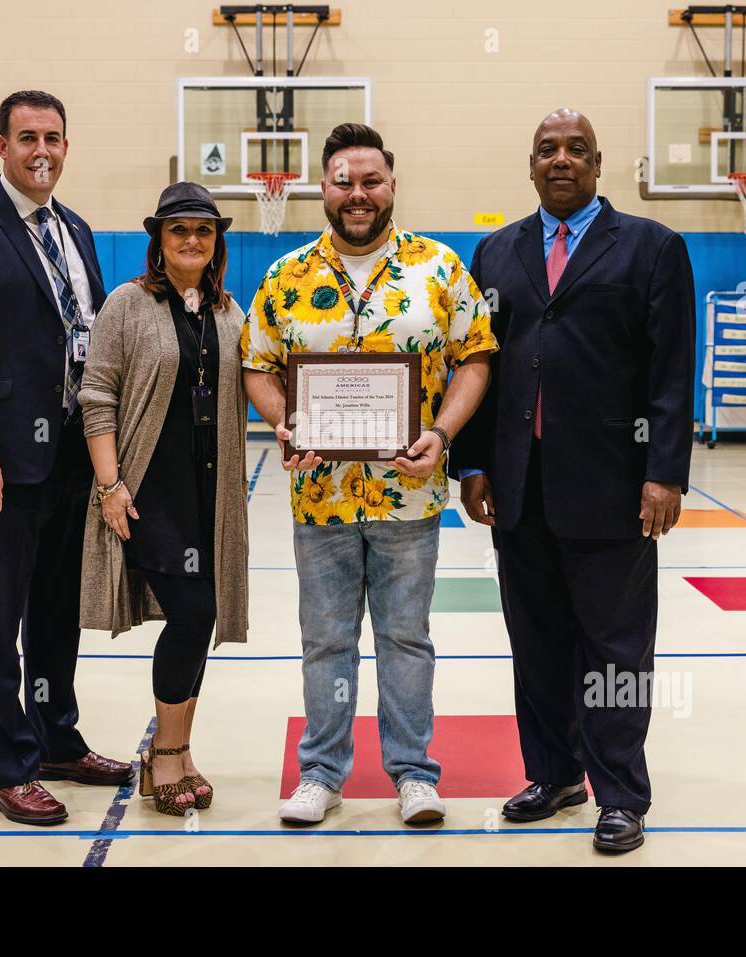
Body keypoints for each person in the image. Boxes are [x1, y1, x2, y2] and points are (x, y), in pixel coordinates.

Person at [452, 109, 695, 853]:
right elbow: (481, 366)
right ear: (530, 165)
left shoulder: (652, 248)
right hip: (520, 491)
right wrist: (473, 462)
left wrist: (663, 473)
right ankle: (553, 772)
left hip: (615, 490)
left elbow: (671, 372)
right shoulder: (495, 252)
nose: (562, 160)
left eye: (576, 150)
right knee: (536, 642)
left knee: (616, 650)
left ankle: (620, 791)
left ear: (598, 164)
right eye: (548, 150)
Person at [242, 123, 497, 827]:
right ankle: (321, 773)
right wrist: (284, 422)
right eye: (344, 182)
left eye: (372, 181)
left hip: (409, 494)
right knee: (325, 638)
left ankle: (414, 772)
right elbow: (257, 365)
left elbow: (475, 356)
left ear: (392, 184)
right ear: (323, 188)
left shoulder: (439, 268)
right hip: (316, 494)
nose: (359, 194)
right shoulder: (285, 276)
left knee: (405, 637)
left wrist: (442, 432)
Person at [0, 90, 132, 827]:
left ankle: (55, 738)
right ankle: (8, 766)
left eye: (53, 137)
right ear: (1, 146)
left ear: (66, 146)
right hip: (0, 463)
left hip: (70, 457)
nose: (40, 149)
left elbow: (92, 334)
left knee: (54, 613)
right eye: (26, 137)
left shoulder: (73, 227)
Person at [78, 182, 249, 816]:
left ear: (216, 242)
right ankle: (167, 756)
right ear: (159, 240)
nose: (192, 240)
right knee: (192, 614)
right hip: (150, 491)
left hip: (209, 492)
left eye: (203, 231)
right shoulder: (127, 304)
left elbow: (258, 384)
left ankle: (176, 752)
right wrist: (110, 485)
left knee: (198, 619)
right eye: (179, 230)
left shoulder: (228, 313)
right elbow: (97, 396)